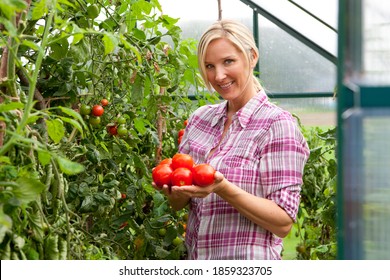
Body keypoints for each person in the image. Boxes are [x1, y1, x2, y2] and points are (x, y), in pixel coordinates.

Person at [154, 19, 310, 260]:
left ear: (252, 56)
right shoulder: (200, 119)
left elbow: (282, 222)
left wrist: (223, 188)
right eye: (209, 66)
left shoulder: (277, 125)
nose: (218, 75)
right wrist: (176, 191)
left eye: (228, 61)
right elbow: (180, 204)